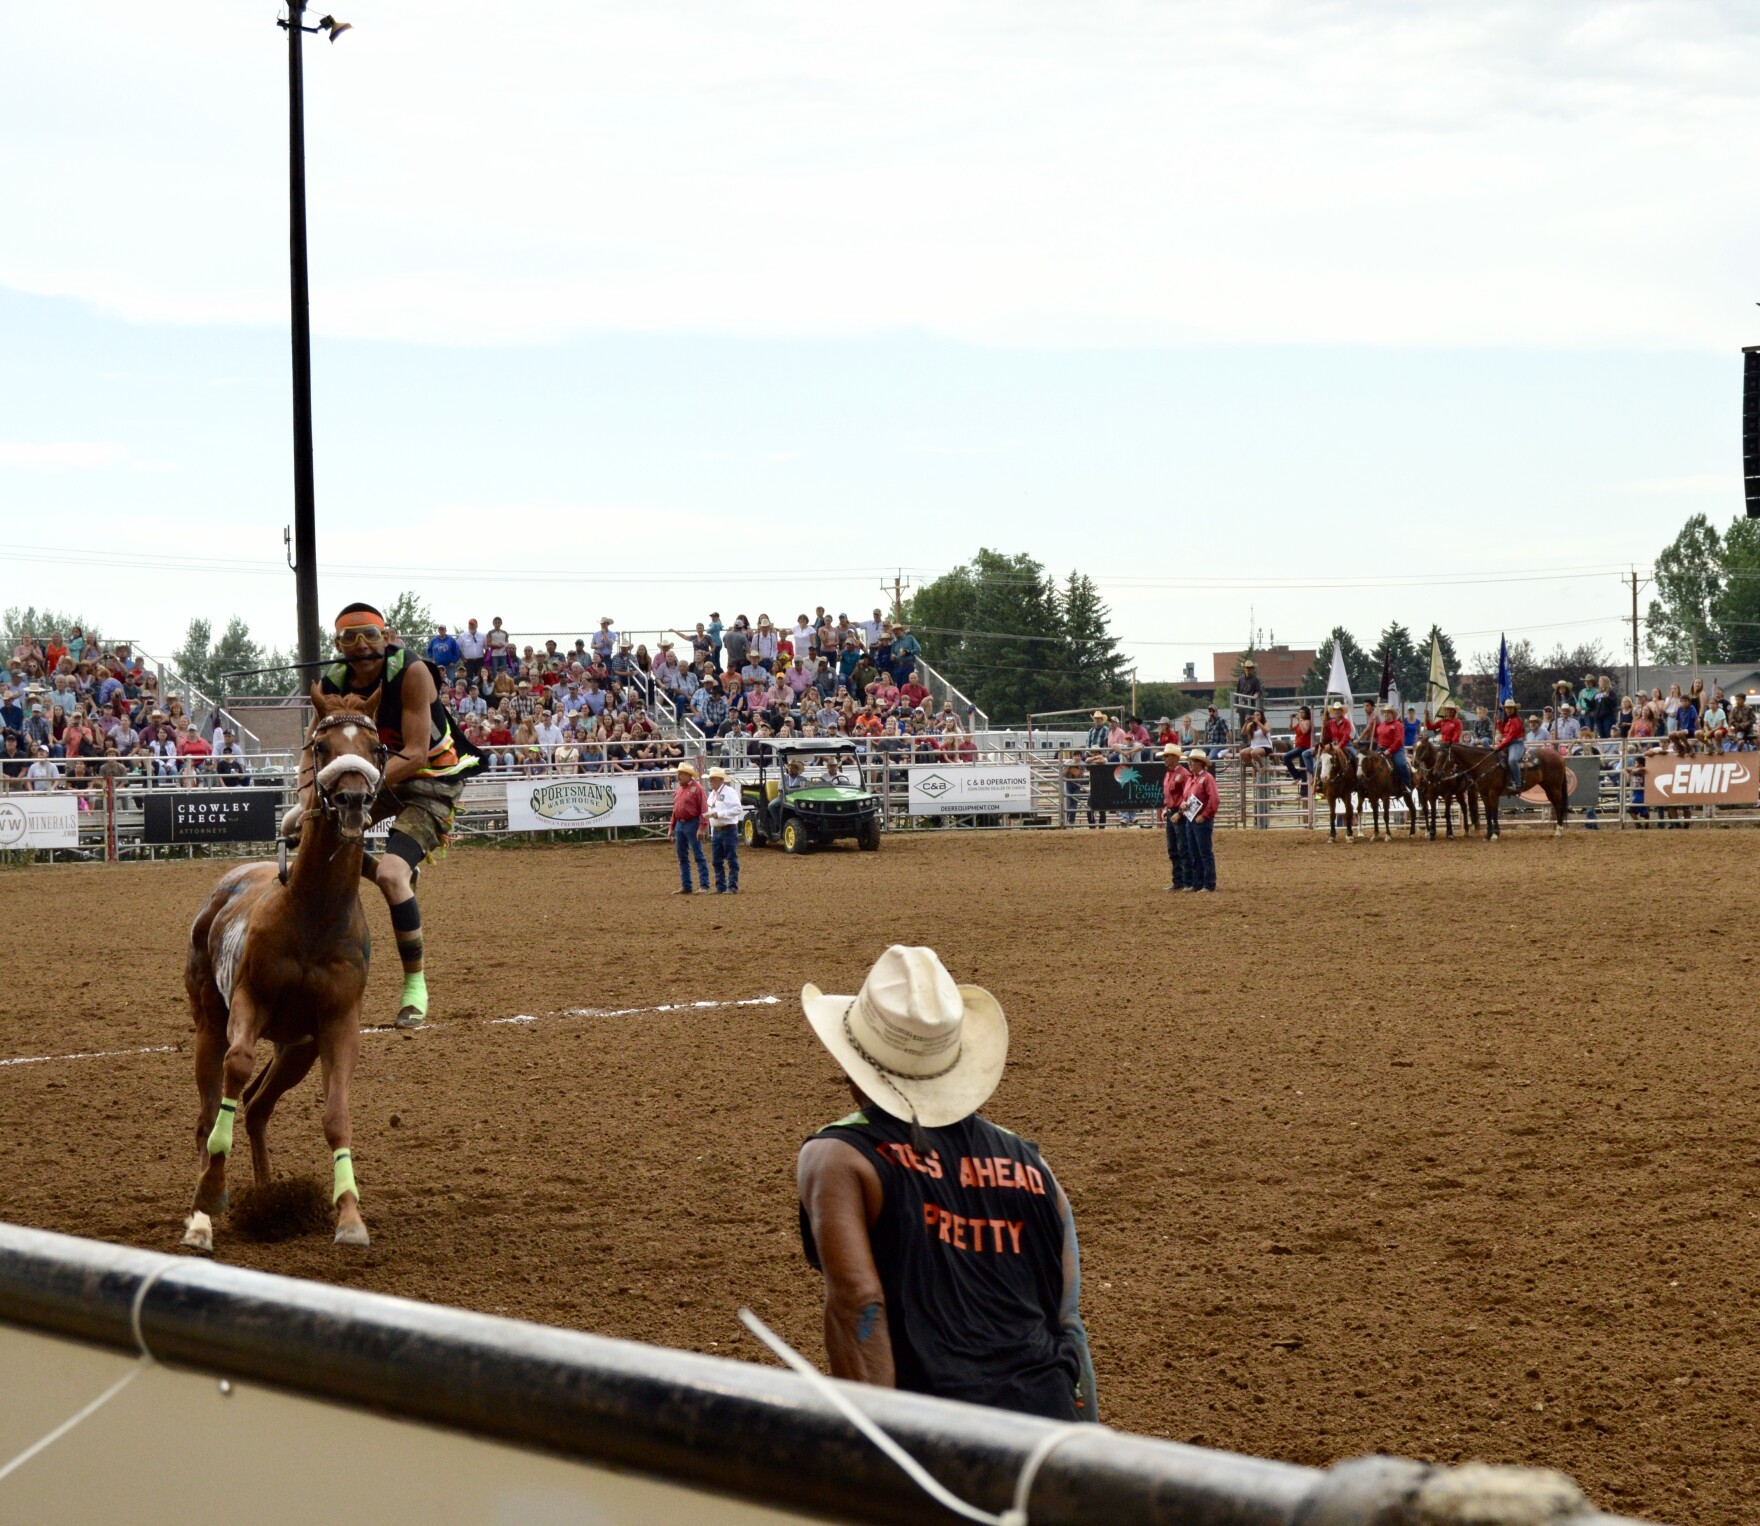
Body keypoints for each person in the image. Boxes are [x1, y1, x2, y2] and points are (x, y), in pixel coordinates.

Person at [796, 945, 1096, 1422]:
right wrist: (1086, 1447)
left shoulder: (838, 1157)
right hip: (1048, 1427)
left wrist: (876, 1446)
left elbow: (858, 1300)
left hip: (939, 1433)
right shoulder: (1034, 1166)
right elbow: (1067, 1321)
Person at [317, 602, 483, 1030]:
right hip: (372, 777)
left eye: (370, 635)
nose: (362, 646)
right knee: (315, 839)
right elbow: (315, 749)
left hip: (430, 779)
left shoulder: (412, 673)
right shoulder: (332, 681)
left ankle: (415, 987)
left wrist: (358, 785)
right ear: (338, 645)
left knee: (391, 875)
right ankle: (401, 877)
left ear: (387, 636)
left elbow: (414, 753)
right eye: (350, 638)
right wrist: (307, 805)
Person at [667, 761, 710, 893]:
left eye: (680, 773)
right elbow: (676, 809)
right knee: (682, 856)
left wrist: (702, 827)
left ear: (688, 775)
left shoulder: (698, 789)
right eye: (678, 773)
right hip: (681, 823)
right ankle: (687, 885)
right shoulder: (680, 789)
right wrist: (671, 827)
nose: (678, 776)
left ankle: (704, 885)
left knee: (698, 854)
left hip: (692, 823)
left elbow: (704, 809)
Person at [1183, 749, 1219, 890]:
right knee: (1194, 852)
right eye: (1190, 761)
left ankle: (1209, 883)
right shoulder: (1192, 779)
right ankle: (1198, 883)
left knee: (1204, 852)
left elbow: (1214, 799)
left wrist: (1204, 815)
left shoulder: (1207, 778)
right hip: (1191, 819)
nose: (1190, 763)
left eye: (1193, 761)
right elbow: (1186, 798)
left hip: (1201, 821)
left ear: (1200, 763)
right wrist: (1183, 805)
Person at [704, 763, 743, 893]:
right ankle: (721, 886)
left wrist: (719, 814)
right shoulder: (712, 794)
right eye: (710, 779)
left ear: (721, 779)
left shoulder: (730, 792)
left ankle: (732, 886)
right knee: (717, 860)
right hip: (717, 830)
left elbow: (738, 809)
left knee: (731, 859)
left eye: (713, 779)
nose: (710, 781)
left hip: (728, 829)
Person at [1160, 743, 1190, 891]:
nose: (1165, 759)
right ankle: (1178, 880)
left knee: (1182, 847)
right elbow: (1168, 795)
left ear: (1175, 757)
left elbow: (1187, 796)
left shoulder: (1183, 774)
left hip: (1180, 814)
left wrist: (1180, 813)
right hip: (1171, 813)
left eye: (1167, 756)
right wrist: (1166, 809)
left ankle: (1186, 880)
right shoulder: (1169, 774)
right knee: (1173, 848)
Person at [1375, 703, 1411, 793]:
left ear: (1392, 714)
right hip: (1381, 748)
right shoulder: (1381, 725)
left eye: (1388, 713)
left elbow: (1399, 740)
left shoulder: (1398, 725)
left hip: (1396, 750)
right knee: (1368, 761)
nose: (1386, 714)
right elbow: (1378, 738)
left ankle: (1407, 785)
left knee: (1401, 764)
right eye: (1385, 713)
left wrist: (1389, 750)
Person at [1494, 697, 1525, 794]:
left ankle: (1518, 784)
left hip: (1516, 744)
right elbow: (1504, 734)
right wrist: (1498, 722)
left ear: (1514, 709)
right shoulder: (1509, 720)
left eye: (1510, 708)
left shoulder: (1515, 721)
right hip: (1509, 743)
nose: (1508, 710)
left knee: (1512, 760)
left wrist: (1499, 747)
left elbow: (1509, 737)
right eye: (1506, 708)